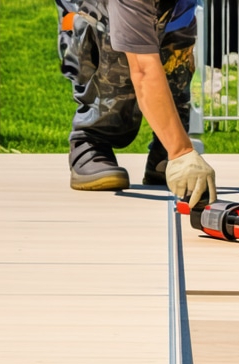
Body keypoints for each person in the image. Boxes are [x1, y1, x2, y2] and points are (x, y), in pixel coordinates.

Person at [56, 0, 216, 208]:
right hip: (98, 11)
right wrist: (182, 152)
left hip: (172, 12)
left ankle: (164, 153)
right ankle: (90, 142)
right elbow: (143, 70)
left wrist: (174, 148)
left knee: (177, 59)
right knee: (114, 66)